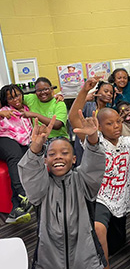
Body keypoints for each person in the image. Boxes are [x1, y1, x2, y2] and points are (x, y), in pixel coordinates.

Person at [70, 102, 130, 268]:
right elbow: (85, 131)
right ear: (100, 127)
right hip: (100, 196)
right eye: (109, 123)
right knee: (98, 228)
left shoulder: (128, 142)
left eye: (118, 121)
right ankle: (105, 265)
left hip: (121, 197)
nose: (116, 126)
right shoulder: (96, 141)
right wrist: (85, 90)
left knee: (117, 243)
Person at [18, 114, 107, 269]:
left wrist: (92, 139)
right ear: (45, 160)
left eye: (64, 153)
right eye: (52, 154)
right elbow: (30, 173)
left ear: (74, 159)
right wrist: (36, 147)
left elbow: (94, 165)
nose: (58, 157)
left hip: (85, 257)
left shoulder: (83, 181)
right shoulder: (42, 186)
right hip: (49, 258)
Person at [0, 84, 33, 224]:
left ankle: (16, 208)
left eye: (18, 95)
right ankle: (22, 194)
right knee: (15, 156)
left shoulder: (26, 109)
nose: (16, 99)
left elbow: (42, 93)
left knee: (23, 161)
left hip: (23, 143)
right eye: (11, 98)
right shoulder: (4, 111)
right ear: (6, 100)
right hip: (3, 139)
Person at [70, 78, 114, 165]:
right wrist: (85, 98)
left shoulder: (110, 111)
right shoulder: (88, 105)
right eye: (106, 91)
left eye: (111, 93)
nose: (109, 94)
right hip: (84, 142)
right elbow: (74, 116)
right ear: (97, 92)